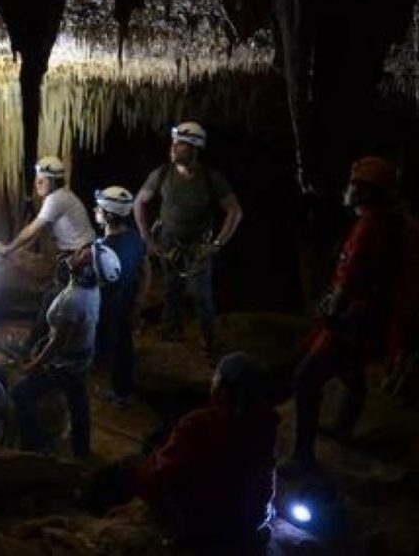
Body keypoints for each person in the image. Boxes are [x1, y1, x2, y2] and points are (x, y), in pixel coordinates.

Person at [286, 156, 405, 472]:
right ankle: (342, 426)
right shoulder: (390, 223)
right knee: (350, 367)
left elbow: (351, 277)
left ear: (366, 192)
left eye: (353, 184)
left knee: (306, 378)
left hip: (355, 317)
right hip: (374, 316)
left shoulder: (369, 228)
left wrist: (332, 311)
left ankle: (303, 457)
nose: (347, 189)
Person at [131, 351, 278, 549]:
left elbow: (157, 476)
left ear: (221, 387)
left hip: (205, 526)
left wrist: (147, 466)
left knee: (132, 466)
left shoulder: (198, 424)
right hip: (251, 522)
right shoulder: (266, 424)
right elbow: (266, 476)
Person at [133, 121, 242, 356]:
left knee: (202, 295)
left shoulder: (211, 178)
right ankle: (171, 331)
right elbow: (139, 202)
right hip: (168, 240)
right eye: (174, 142)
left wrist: (216, 244)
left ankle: (208, 339)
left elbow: (235, 211)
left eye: (180, 143)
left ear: (194, 148)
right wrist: (147, 238)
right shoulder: (163, 173)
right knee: (172, 288)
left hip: (198, 245)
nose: (173, 147)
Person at [12, 240, 120, 457]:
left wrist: (34, 365)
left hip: (64, 363)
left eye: (84, 255)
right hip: (82, 356)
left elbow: (57, 343)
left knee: (20, 393)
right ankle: (81, 449)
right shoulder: (90, 290)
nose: (78, 252)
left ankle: (35, 442)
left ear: (88, 271)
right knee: (78, 400)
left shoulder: (72, 301)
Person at [0, 155, 95, 350]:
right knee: (51, 298)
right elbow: (37, 232)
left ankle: (33, 346)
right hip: (80, 253)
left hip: (78, 257)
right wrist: (16, 251)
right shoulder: (62, 195)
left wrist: (6, 249)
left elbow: (32, 229)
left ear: (52, 181)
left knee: (51, 300)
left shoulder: (56, 199)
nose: (37, 184)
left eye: (41, 180)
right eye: (37, 179)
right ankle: (42, 343)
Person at [93, 186, 148, 405]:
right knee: (124, 345)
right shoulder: (136, 239)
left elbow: (95, 284)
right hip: (128, 301)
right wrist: (139, 303)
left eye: (99, 208)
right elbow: (146, 272)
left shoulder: (103, 250)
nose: (95, 210)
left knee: (113, 347)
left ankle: (118, 393)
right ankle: (125, 390)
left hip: (108, 306)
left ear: (108, 216)